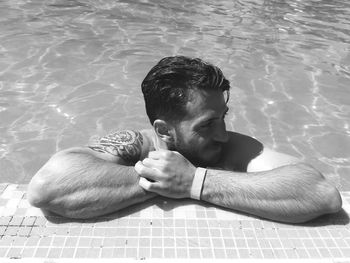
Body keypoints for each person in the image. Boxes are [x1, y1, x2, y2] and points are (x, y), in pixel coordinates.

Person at [27, 56, 342, 223]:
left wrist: (196, 182)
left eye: (224, 117)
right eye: (207, 124)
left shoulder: (232, 147)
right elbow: (46, 189)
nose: (222, 134)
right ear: (164, 130)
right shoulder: (136, 145)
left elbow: (321, 193)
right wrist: (164, 181)